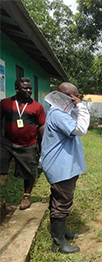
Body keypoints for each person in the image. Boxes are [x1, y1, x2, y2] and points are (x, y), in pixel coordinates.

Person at [41, 82, 90, 254]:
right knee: (62, 201)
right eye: (77, 96)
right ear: (69, 97)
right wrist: (81, 107)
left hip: (65, 166)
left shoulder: (62, 112)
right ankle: (58, 242)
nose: (78, 98)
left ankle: (61, 232)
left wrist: (76, 108)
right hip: (60, 167)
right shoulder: (58, 114)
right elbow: (81, 129)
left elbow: (75, 122)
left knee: (61, 199)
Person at [0, 77, 45, 210]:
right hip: (7, 143)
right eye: (25, 88)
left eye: (30, 88)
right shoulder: (5, 103)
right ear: (17, 89)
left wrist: (42, 145)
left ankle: (26, 196)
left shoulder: (37, 106)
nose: (29, 90)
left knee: (29, 171)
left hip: (28, 144)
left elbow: (42, 125)